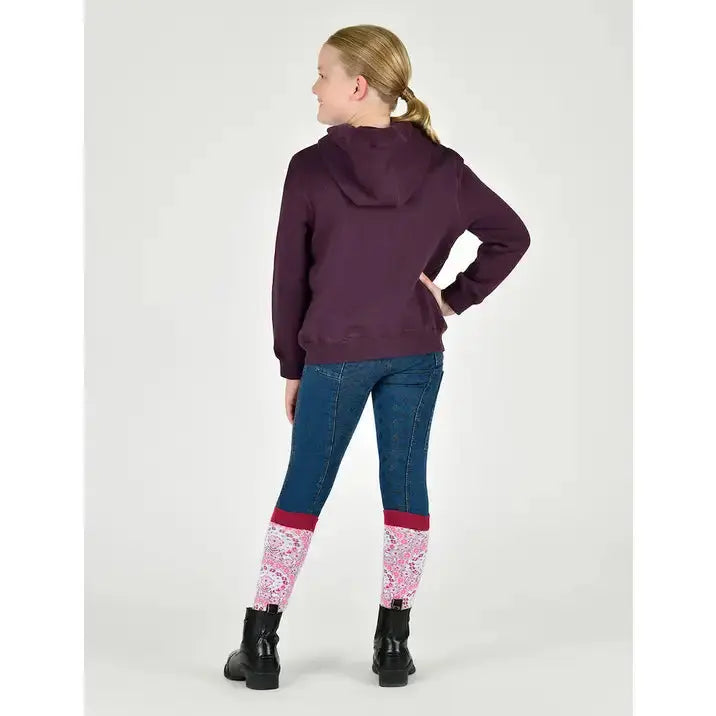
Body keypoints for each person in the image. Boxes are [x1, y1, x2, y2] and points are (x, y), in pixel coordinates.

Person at [224, 23, 531, 690]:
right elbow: (512, 235)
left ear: (357, 86)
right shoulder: (443, 168)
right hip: (415, 352)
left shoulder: (311, 168)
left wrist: (291, 364)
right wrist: (449, 300)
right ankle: (394, 644)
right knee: (406, 485)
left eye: (323, 74)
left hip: (335, 354)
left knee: (304, 487)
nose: (314, 86)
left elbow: (288, 279)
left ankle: (261, 642)